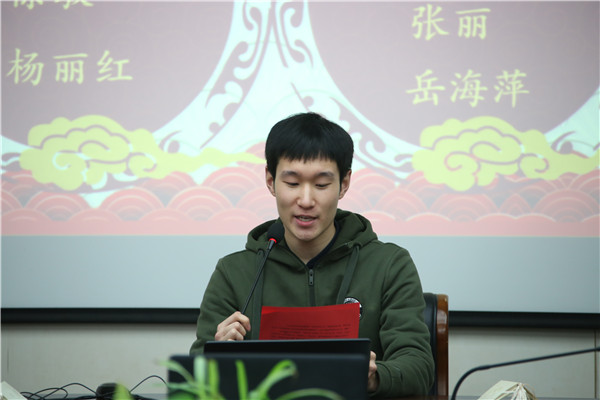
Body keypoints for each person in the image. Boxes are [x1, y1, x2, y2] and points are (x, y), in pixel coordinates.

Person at [190, 112, 434, 397]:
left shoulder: (389, 265)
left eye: (321, 185)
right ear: (270, 180)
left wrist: (374, 376)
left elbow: (418, 367)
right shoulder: (234, 272)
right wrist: (216, 356)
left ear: (344, 183)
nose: (306, 201)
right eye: (292, 183)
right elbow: (193, 378)